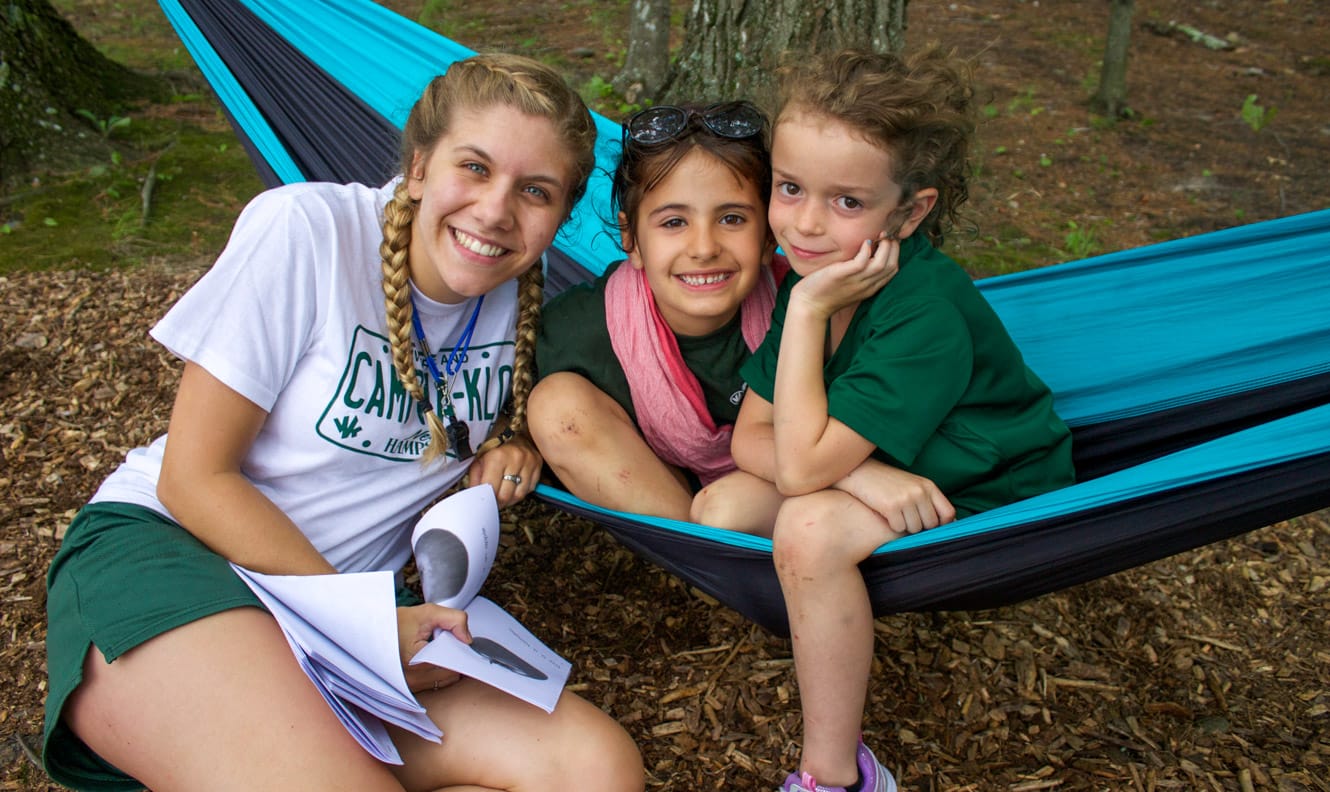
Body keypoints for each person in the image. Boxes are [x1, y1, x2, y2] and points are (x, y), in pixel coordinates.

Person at [41, 54, 643, 792]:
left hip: (350, 610)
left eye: (535, 191)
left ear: (561, 214)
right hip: (182, 562)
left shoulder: (520, 297)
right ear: (419, 166)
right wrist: (361, 627)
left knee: (594, 769)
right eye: (475, 168)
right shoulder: (308, 232)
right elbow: (194, 478)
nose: (495, 210)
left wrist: (513, 442)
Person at [695, 49, 1076, 792]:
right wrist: (863, 476)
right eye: (790, 188)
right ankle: (829, 616)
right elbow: (750, 440)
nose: (805, 224)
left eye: (847, 202)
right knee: (720, 504)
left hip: (992, 485)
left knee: (805, 529)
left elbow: (800, 469)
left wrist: (804, 310)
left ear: (912, 209)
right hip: (885, 467)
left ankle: (838, 775)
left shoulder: (918, 311)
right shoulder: (822, 275)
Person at [527, 101, 780, 520]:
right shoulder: (584, 326)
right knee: (555, 406)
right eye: (673, 223)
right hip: (670, 500)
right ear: (631, 237)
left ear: (769, 235)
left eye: (732, 218)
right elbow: (500, 403)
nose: (703, 248)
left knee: (727, 511)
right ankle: (699, 554)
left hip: (792, 496)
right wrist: (512, 443)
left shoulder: (803, 305)